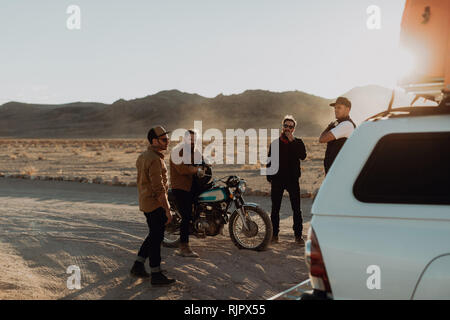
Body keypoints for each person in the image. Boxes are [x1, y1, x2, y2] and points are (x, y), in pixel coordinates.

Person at [130, 125, 176, 286]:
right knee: (157, 239)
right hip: (155, 204)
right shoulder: (155, 160)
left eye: (167, 139)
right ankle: (156, 274)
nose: (167, 142)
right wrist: (167, 210)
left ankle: (137, 265)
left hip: (145, 201)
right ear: (154, 141)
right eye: (164, 139)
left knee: (153, 235)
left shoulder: (144, 156)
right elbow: (159, 189)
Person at [267, 115, 307, 246]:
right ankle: (274, 235)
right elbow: (269, 161)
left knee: (296, 209)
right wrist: (270, 178)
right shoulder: (275, 143)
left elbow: (303, 156)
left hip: (292, 181)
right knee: (275, 209)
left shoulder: (298, 142)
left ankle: (298, 236)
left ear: (294, 129)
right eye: (286, 126)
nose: (288, 129)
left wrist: (292, 141)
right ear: (282, 127)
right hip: (277, 181)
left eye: (291, 127)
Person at [170, 130, 205, 258]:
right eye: (190, 140)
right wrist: (196, 169)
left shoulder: (195, 151)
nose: (193, 142)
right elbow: (183, 169)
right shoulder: (177, 151)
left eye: (194, 140)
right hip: (181, 187)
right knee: (186, 216)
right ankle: (183, 247)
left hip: (193, 186)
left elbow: (202, 162)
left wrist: (206, 164)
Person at [319, 97, 356, 174]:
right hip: (335, 170)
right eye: (335, 108)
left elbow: (322, 139)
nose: (336, 110)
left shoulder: (346, 125)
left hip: (339, 171)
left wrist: (329, 127)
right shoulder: (340, 123)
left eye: (339, 108)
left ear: (347, 109)